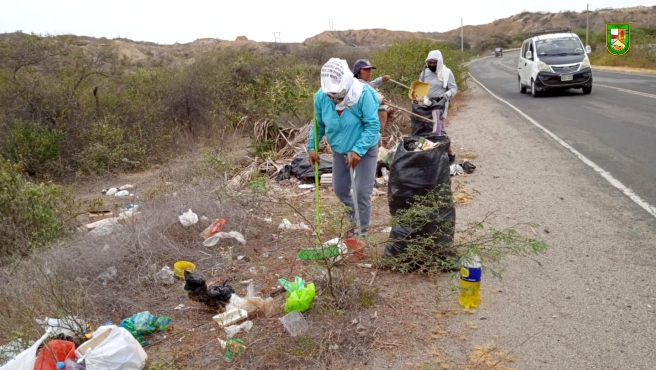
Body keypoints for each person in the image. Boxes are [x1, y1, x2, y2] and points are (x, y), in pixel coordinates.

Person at [308, 58, 381, 237]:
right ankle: (353, 219)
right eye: (331, 96)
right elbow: (318, 123)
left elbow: (373, 125)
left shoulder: (363, 94)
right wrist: (312, 147)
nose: (335, 99)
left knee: (362, 191)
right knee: (340, 189)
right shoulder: (321, 96)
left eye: (339, 96)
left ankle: (361, 234)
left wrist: (358, 150)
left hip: (365, 149)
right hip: (340, 150)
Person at [353, 59, 390, 148]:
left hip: (374, 123)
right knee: (373, 142)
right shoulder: (358, 85)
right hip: (370, 122)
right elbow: (371, 94)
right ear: (358, 72)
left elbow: (372, 85)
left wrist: (382, 79)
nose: (369, 72)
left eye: (370, 70)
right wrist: (380, 99)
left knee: (376, 140)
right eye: (365, 70)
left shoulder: (363, 83)